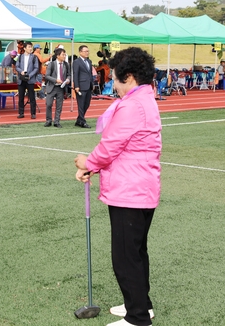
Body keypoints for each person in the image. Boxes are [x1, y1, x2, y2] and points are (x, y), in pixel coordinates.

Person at [74, 47, 161, 326]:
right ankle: (140, 306)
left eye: (115, 78)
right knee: (136, 252)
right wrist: (92, 165)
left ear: (130, 77)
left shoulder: (133, 105)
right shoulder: (145, 99)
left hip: (130, 190)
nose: (112, 83)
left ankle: (138, 318)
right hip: (139, 186)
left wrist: (86, 162)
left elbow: (110, 146)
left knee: (125, 256)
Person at [44, 47, 69, 128]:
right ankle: (48, 120)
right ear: (58, 56)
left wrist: (68, 79)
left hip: (61, 88)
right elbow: (47, 76)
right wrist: (55, 80)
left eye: (65, 55)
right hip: (52, 86)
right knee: (48, 104)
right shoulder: (51, 64)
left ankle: (57, 121)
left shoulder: (66, 64)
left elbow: (69, 74)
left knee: (59, 105)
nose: (64, 56)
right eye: (63, 54)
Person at [16, 42, 39, 119]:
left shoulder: (34, 57)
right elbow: (17, 66)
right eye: (29, 47)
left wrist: (30, 75)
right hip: (21, 79)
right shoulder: (20, 57)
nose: (30, 48)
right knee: (21, 97)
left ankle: (33, 113)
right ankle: (21, 113)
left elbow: (36, 68)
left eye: (31, 47)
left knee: (32, 97)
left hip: (30, 79)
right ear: (25, 48)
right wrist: (21, 71)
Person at [72, 45, 93, 128]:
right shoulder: (77, 62)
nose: (87, 53)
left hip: (88, 85)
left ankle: (79, 120)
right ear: (80, 52)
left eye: (88, 51)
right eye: (85, 51)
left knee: (86, 104)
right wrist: (76, 85)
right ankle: (83, 122)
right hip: (81, 86)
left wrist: (92, 83)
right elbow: (75, 74)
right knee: (81, 105)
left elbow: (90, 74)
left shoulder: (89, 61)